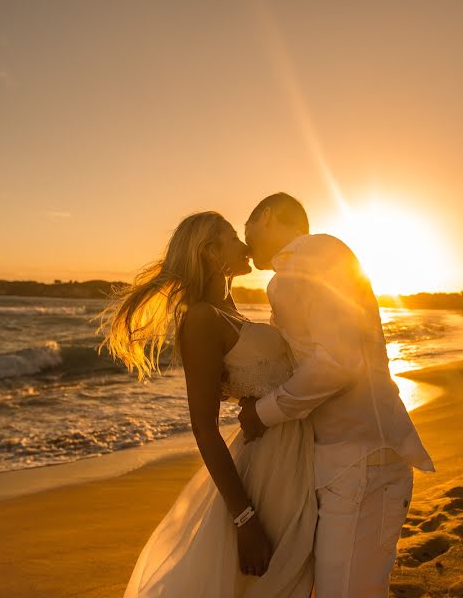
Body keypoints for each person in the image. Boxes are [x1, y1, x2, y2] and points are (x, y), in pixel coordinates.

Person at [99, 211, 316, 597]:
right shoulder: (201, 319)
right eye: (232, 237)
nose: (244, 245)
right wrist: (245, 519)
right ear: (211, 252)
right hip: (266, 476)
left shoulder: (230, 312)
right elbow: (204, 427)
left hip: (292, 462)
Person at [239, 192, 435, 597]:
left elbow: (340, 362)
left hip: (363, 464)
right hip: (340, 462)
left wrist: (264, 412)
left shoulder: (319, 253)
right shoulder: (292, 273)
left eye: (248, 227)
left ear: (269, 216)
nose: (245, 240)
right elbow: (307, 358)